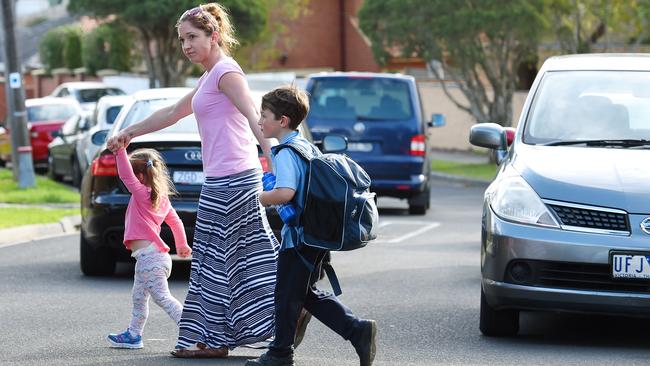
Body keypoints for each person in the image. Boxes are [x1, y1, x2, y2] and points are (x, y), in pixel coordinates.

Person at [107, 2, 280, 358]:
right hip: (221, 179)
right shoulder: (208, 77)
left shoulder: (227, 73)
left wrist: (277, 163)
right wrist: (129, 132)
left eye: (192, 37)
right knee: (232, 258)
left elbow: (252, 115)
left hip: (235, 179)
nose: (186, 46)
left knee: (225, 259)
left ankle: (227, 336)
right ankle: (237, 332)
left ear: (213, 36)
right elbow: (172, 112)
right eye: (182, 39)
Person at [247, 86, 378, 366]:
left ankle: (281, 353)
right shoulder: (304, 145)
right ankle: (357, 331)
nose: (259, 121)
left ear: (282, 121)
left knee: (286, 295)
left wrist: (259, 196)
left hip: (299, 237)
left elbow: (285, 192)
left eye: (264, 115)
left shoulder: (284, 152)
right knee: (303, 294)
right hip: (316, 235)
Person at [106, 147, 192, 349]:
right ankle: (134, 335)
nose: (130, 182)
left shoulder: (142, 193)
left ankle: (192, 331)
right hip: (152, 258)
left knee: (162, 298)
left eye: (135, 177)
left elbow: (125, 174)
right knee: (139, 298)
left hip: (150, 259)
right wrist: (181, 244)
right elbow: (176, 222)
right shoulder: (160, 197)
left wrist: (120, 152)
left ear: (141, 176)